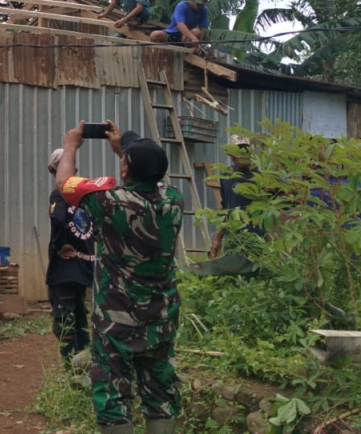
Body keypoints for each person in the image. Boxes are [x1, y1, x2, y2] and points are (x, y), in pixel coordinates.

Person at [54, 121, 183, 434]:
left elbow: (65, 184)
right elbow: (145, 173)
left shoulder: (108, 202)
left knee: (112, 394)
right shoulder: (174, 200)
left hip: (117, 317)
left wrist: (70, 145)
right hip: (161, 315)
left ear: (125, 170)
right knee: (159, 390)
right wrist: (123, 148)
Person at [45, 148, 94, 361]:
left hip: (65, 269)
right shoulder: (85, 197)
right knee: (81, 315)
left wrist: (59, 245)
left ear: (51, 169)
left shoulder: (59, 194)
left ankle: (70, 365)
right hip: (83, 266)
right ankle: (84, 361)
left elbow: (57, 219)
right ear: (75, 169)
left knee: (65, 319)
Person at [195, 134, 259, 277]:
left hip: (256, 241)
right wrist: (217, 239)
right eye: (237, 151)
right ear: (230, 153)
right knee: (232, 279)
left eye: (244, 150)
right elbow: (227, 211)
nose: (241, 155)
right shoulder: (226, 176)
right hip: (233, 241)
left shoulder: (260, 177)